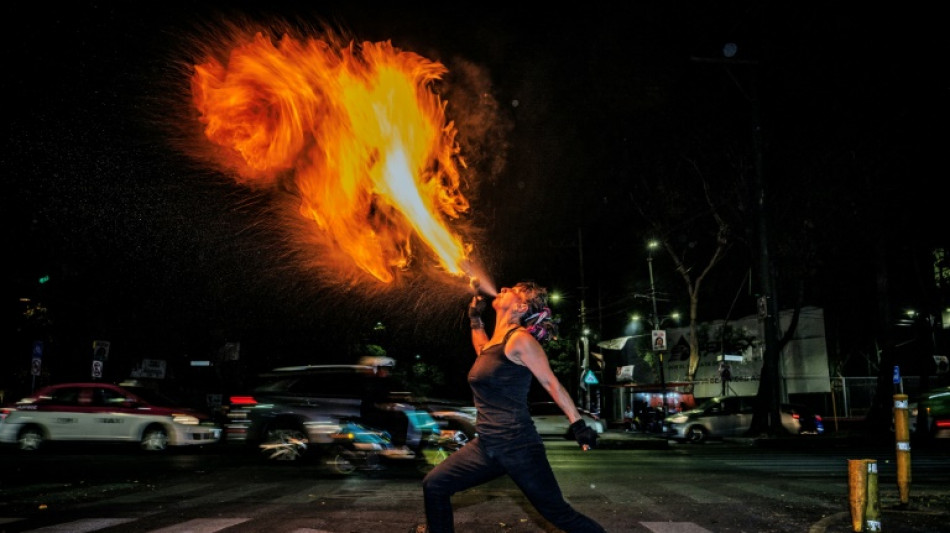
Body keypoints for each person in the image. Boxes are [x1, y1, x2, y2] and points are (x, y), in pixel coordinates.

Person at [419, 281, 606, 533]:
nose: (503, 288)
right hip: (487, 445)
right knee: (435, 484)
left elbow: (551, 383)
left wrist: (579, 425)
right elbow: (482, 350)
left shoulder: (520, 340)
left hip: (518, 446)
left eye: (512, 290)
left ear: (520, 306)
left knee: (560, 514)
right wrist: (475, 319)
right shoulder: (494, 345)